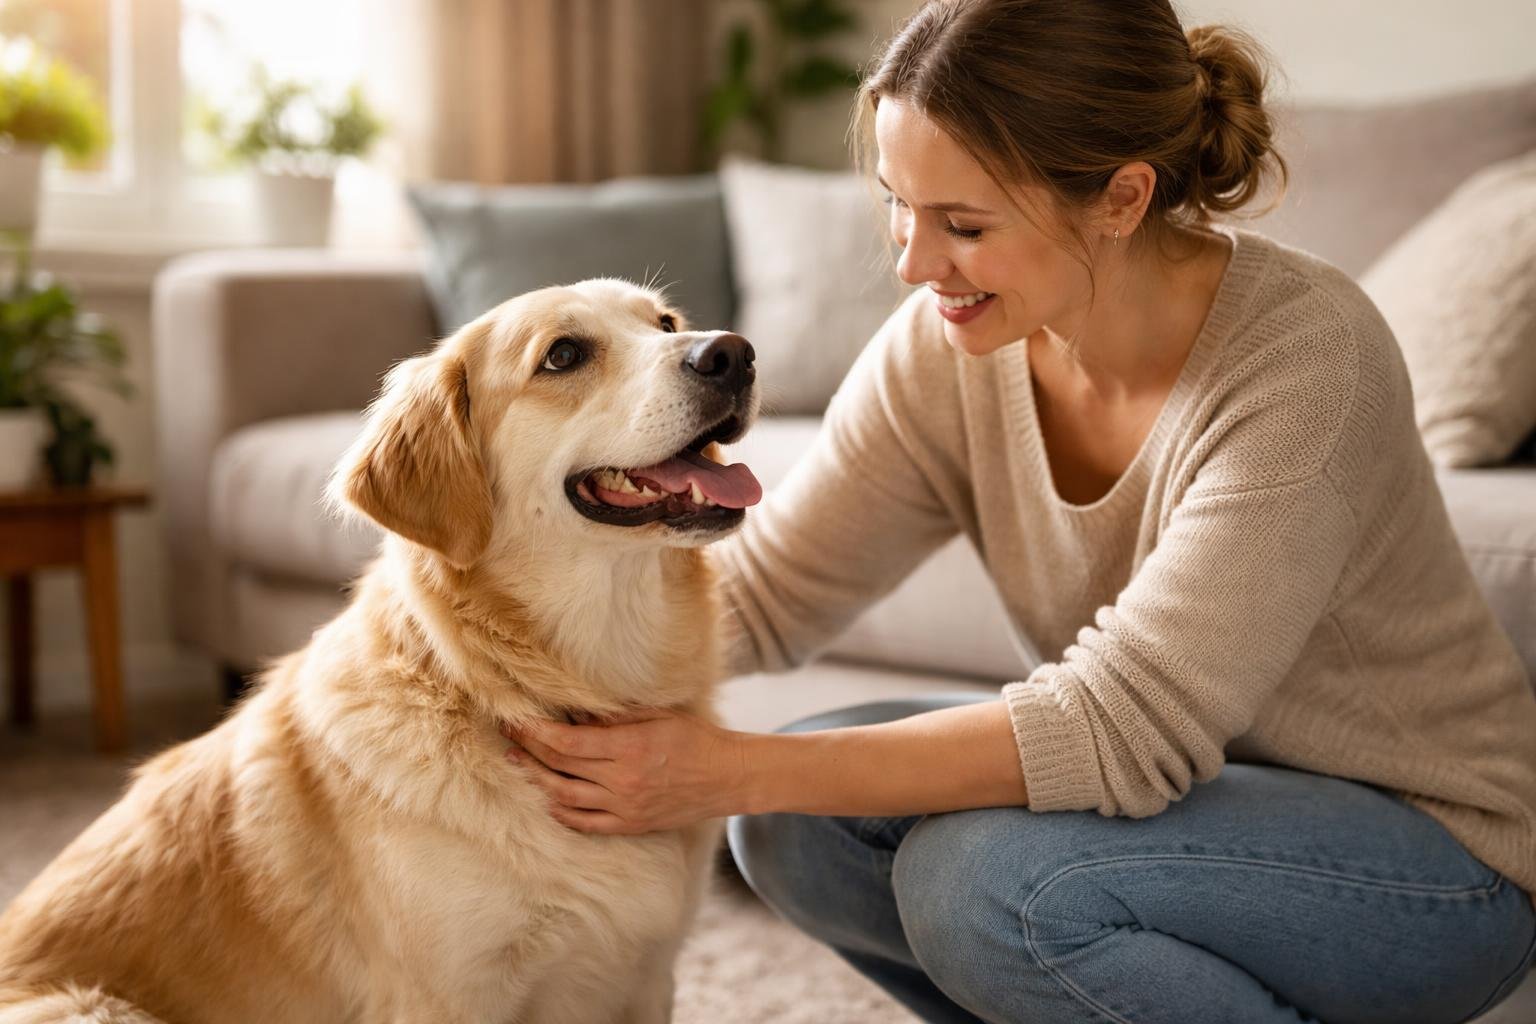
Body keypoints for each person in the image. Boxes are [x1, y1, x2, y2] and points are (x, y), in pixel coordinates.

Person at [497, 1, 1536, 1019]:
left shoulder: (1308, 360)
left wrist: (731, 768)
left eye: (964, 224)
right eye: (898, 204)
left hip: (1438, 863)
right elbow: (764, 595)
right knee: (794, 828)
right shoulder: (944, 348)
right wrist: (491, 676)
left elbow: (1124, 724)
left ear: (1122, 198)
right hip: (1187, 818)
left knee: (987, 880)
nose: (912, 261)